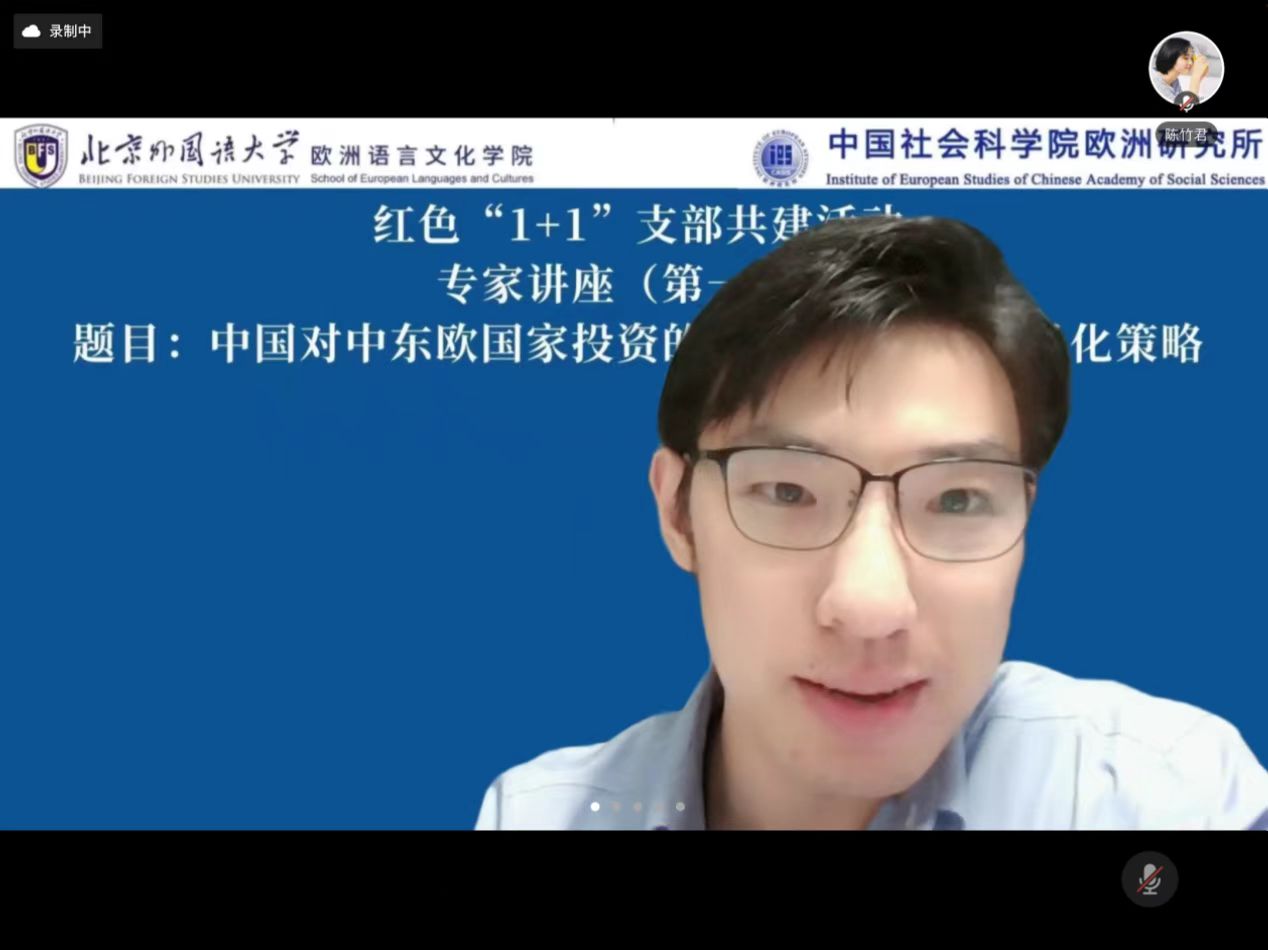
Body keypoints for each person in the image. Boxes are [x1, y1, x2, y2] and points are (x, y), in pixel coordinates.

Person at [475, 216, 1268, 830]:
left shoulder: (1164, 793)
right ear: (677, 511)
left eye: (957, 500)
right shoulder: (540, 814)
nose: (869, 605)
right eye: (788, 490)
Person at [1153, 36, 1209, 103]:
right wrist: (1195, 77)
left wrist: (1200, 77)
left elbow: (1182, 101)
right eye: (1186, 58)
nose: (1191, 62)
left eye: (1191, 58)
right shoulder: (1156, 83)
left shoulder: (1174, 81)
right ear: (1171, 56)